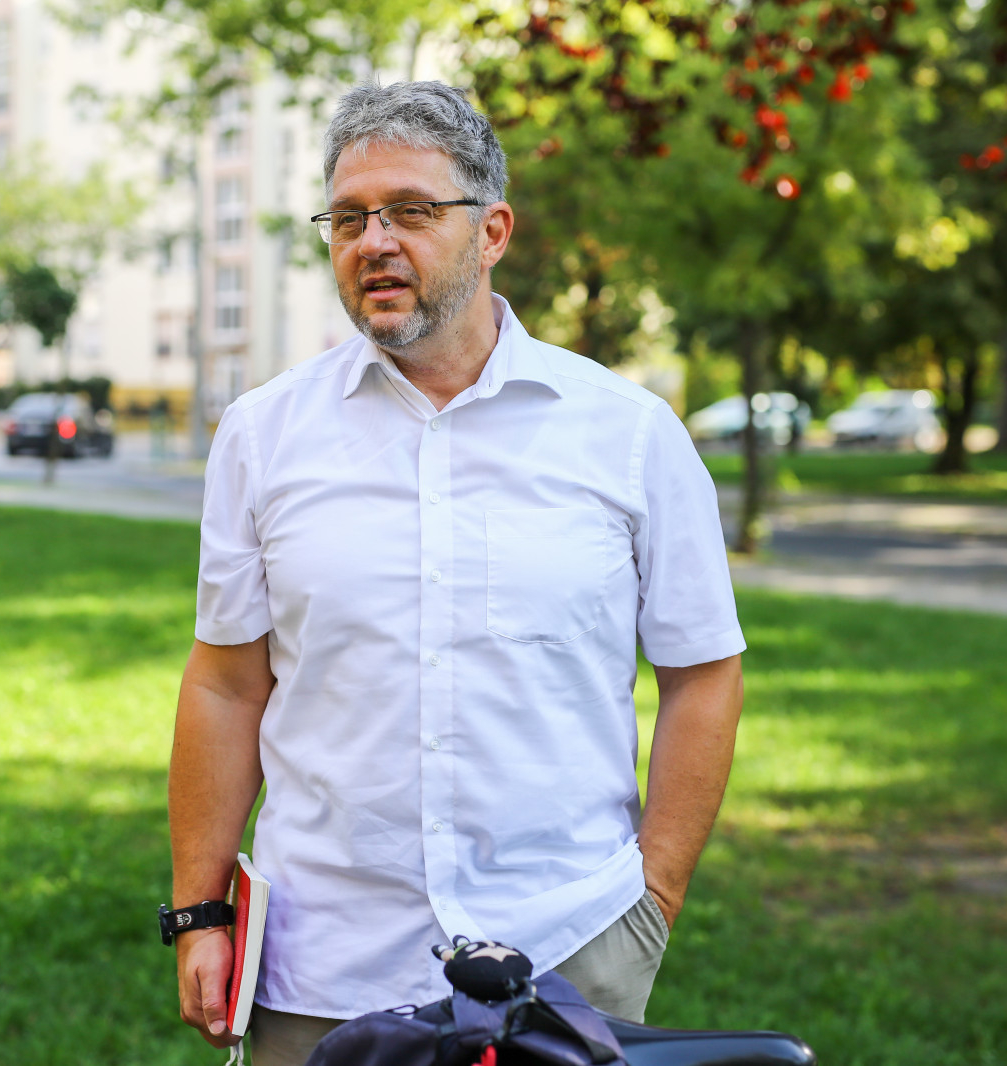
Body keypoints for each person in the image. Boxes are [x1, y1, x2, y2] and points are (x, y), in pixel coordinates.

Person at [167, 80, 746, 1066]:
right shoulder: (263, 435)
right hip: (323, 963)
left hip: (567, 950)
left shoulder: (629, 433)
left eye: (411, 211)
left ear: (492, 232)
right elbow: (226, 684)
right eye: (349, 218)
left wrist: (654, 895)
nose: (373, 242)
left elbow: (704, 674)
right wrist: (198, 909)